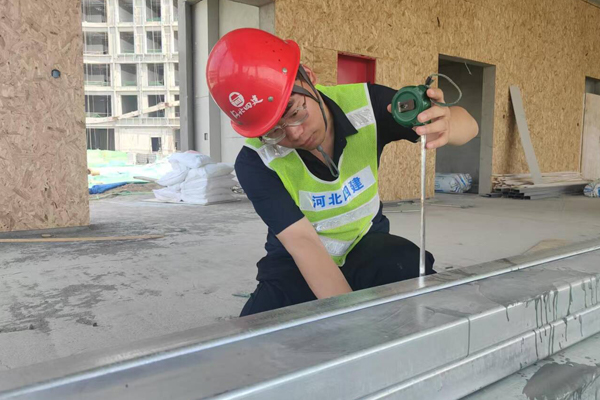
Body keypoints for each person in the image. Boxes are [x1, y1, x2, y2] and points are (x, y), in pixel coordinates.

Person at [206, 28, 479, 316]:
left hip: (367, 243)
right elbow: (303, 243)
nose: (295, 134)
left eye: (294, 112)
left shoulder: (368, 105)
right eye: (274, 131)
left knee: (407, 269)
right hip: (297, 261)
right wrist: (351, 321)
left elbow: (469, 126)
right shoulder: (255, 161)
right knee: (258, 330)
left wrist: (447, 123)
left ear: (309, 77)